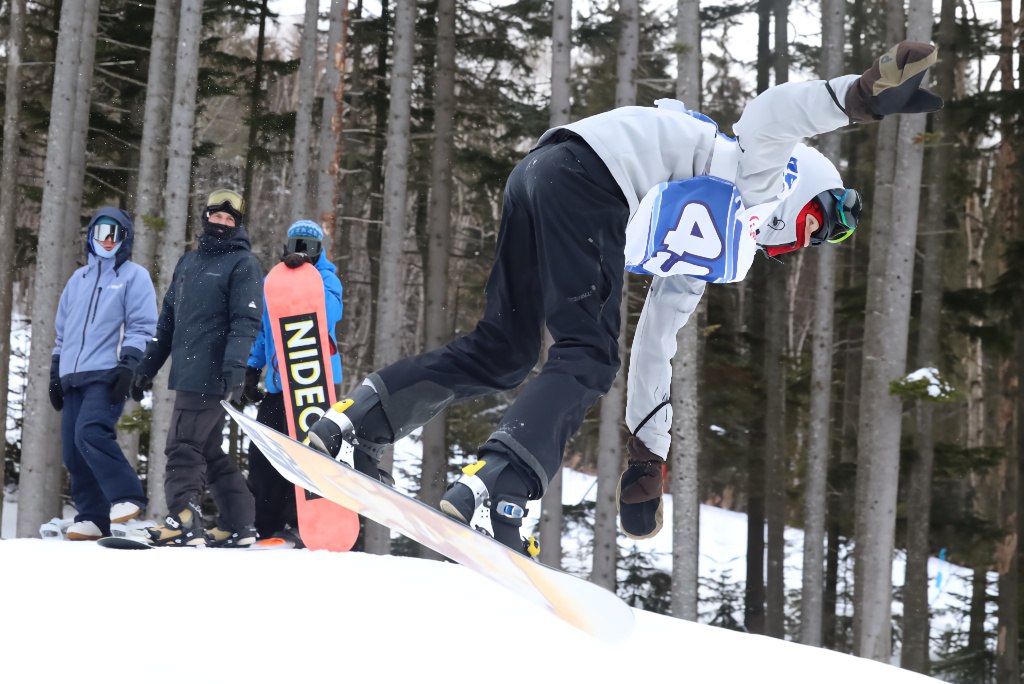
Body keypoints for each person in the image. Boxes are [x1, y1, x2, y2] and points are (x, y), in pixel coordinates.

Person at [304, 42, 943, 553]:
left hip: (541, 175)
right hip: (592, 178)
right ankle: (503, 484)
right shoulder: (756, 176)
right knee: (584, 357)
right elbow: (770, 115)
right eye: (810, 225)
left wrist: (647, 454)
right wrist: (856, 98)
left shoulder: (717, 247)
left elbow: (654, 349)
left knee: (503, 349)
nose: (800, 243)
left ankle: (356, 420)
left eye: (815, 241)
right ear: (798, 193)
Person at [131, 188, 263, 547]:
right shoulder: (188, 263)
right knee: (206, 450)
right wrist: (147, 367)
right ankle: (240, 523)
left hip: (212, 373)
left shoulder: (243, 264)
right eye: (216, 217)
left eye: (228, 219)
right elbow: (168, 321)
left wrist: (237, 368)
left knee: (182, 446)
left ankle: (184, 519)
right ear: (205, 218)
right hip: (187, 371)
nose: (221, 224)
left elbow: (245, 321)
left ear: (237, 225)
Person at [49, 208, 157, 540]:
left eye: (114, 234)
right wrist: (56, 370)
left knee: (91, 433)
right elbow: (62, 333)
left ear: (124, 239)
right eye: (101, 234)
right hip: (73, 376)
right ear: (92, 237)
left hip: (108, 372)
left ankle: (127, 496)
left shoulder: (133, 276)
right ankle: (93, 516)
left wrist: (129, 364)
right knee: (72, 448)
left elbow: (141, 324)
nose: (107, 240)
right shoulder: (77, 279)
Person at [243, 220, 344, 546]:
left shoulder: (327, 279)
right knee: (264, 456)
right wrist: (252, 368)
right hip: (278, 386)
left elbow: (328, 314)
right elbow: (264, 330)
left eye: (310, 247)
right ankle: (267, 527)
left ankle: (297, 525)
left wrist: (307, 280)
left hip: (313, 385)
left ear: (320, 251)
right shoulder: (275, 281)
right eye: (297, 245)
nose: (303, 253)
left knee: (303, 454)